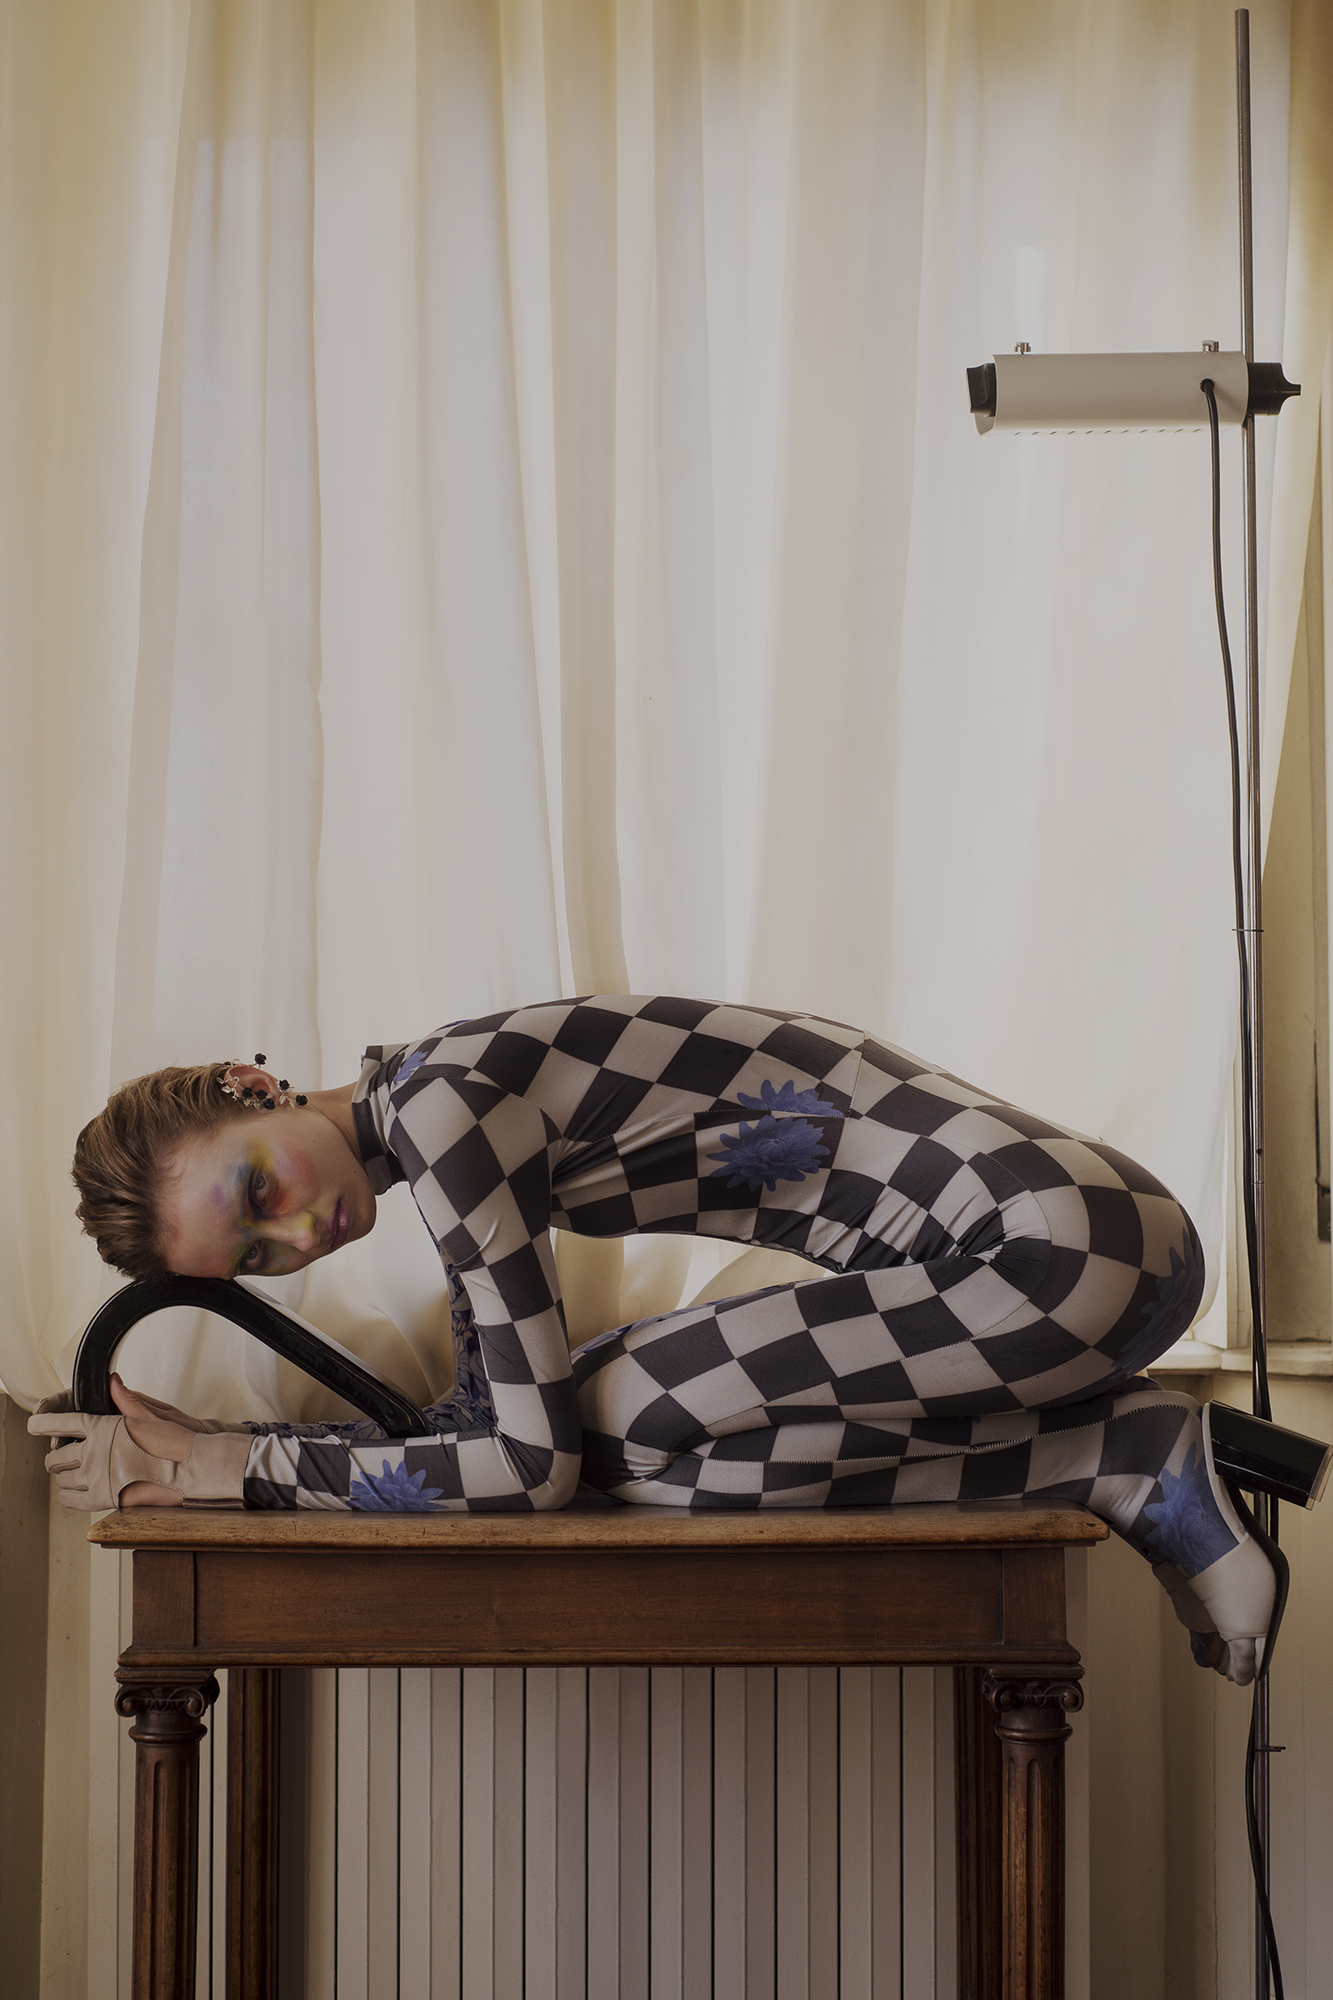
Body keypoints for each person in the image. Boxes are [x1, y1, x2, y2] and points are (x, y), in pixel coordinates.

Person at [34, 994, 1282, 1685]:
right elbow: (488, 1424)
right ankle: (1117, 1456)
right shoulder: (434, 1104)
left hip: (1061, 1248)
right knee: (647, 1460)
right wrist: (226, 1444)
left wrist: (237, 1469)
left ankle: (1119, 1455)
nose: (299, 1234)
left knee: (608, 1415)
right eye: (259, 1257)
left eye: (258, 1191)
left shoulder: (443, 1108)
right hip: (1090, 1261)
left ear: (251, 1086)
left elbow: (528, 1464)